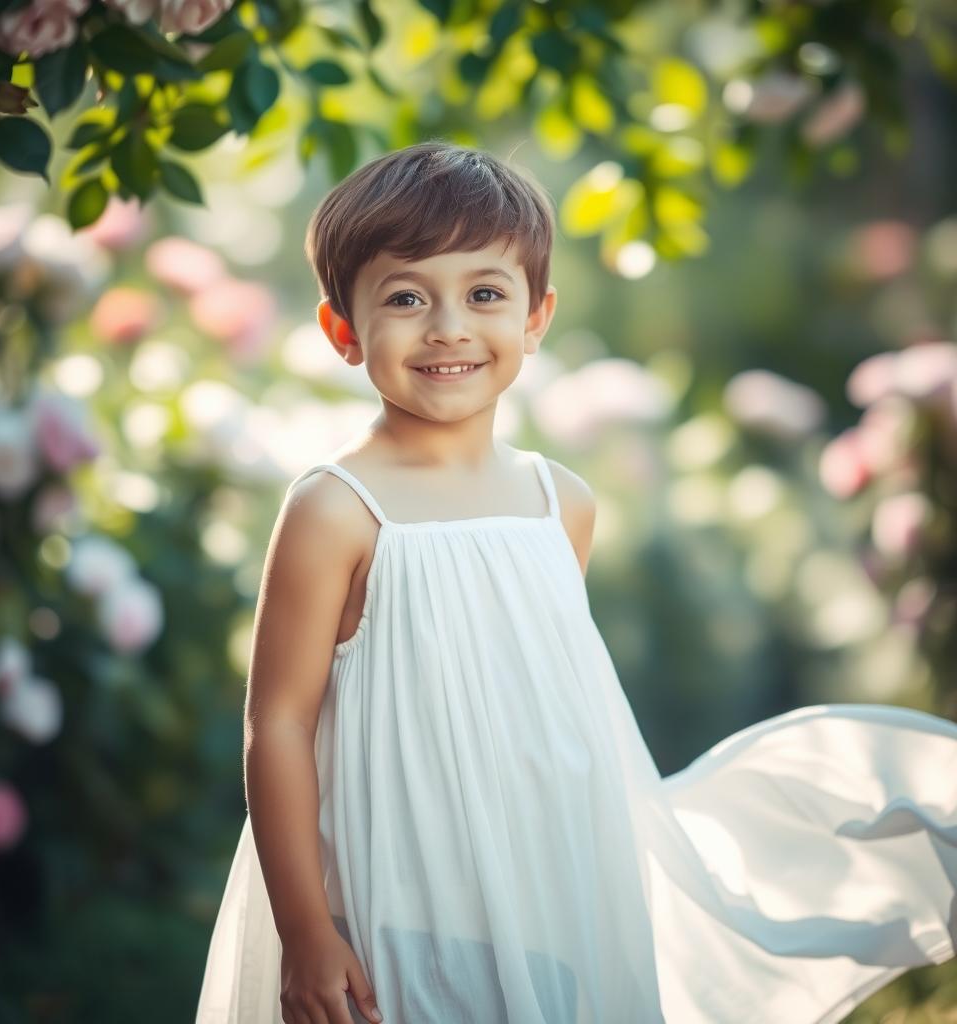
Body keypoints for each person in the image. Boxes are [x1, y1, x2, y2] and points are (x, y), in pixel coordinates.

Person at [195, 140, 957, 1024]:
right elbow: (279, 722)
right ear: (343, 329)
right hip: (386, 904)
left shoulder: (562, 503)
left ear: (535, 317)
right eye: (406, 297)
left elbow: (558, 711)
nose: (448, 326)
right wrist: (306, 931)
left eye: (485, 293)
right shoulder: (337, 509)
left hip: (543, 900)